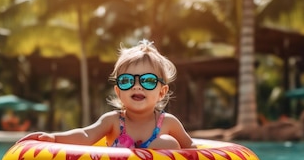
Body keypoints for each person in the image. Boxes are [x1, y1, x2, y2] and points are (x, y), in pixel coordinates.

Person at [17, 39, 194, 149]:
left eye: (147, 81)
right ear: (118, 91)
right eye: (127, 81)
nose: (137, 87)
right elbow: (86, 136)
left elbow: (193, 149)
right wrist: (54, 138)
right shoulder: (114, 121)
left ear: (162, 92)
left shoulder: (168, 123)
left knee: (167, 143)